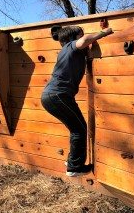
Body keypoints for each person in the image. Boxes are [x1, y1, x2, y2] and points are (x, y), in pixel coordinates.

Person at [41, 25, 113, 177]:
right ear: (74, 38)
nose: (84, 36)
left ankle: (72, 161)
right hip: (58, 95)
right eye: (81, 35)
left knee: (75, 128)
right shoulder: (71, 46)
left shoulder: (67, 51)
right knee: (79, 130)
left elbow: (84, 47)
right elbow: (85, 41)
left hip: (52, 95)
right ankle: (74, 167)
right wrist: (105, 32)